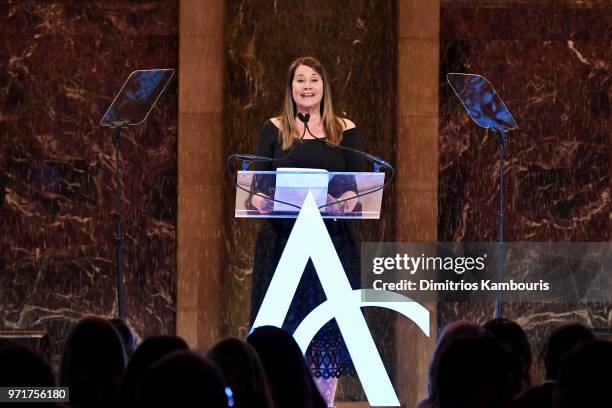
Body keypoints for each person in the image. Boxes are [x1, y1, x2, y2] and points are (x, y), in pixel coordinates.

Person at [248, 56, 365, 406]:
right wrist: (260, 202)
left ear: (325, 86)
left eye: (315, 79)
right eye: (301, 80)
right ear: (290, 88)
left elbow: (356, 188)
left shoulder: (344, 129)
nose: (308, 86)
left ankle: (322, 404)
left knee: (327, 331)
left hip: (332, 244)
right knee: (280, 330)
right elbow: (256, 188)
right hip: (282, 244)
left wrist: (344, 200)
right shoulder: (273, 129)